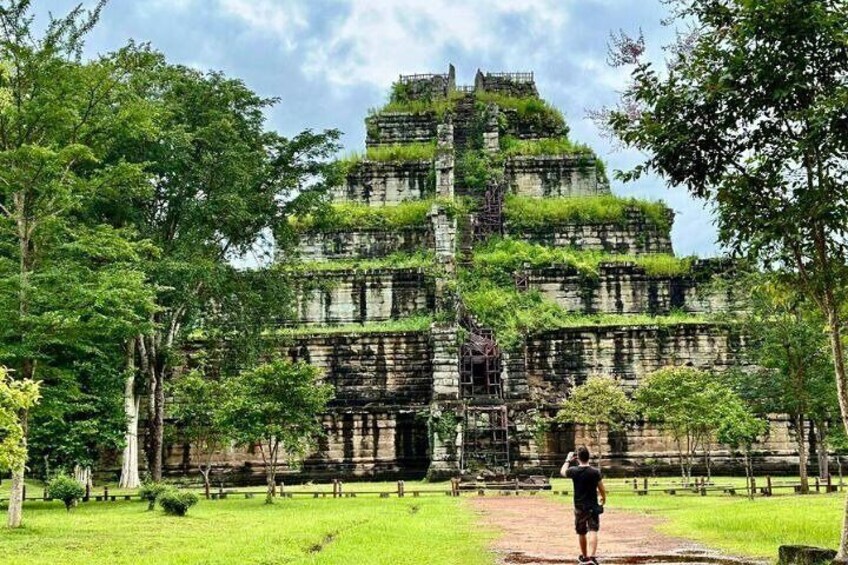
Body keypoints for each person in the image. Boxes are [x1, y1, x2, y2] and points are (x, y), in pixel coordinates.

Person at [560, 445, 607, 565]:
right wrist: (603, 498)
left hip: (579, 506)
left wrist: (567, 460)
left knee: (581, 532)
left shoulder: (574, 471)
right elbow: (601, 488)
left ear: (577, 458)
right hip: (592, 505)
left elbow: (562, 472)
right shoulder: (595, 472)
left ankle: (585, 557)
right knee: (593, 530)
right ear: (588, 457)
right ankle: (592, 557)